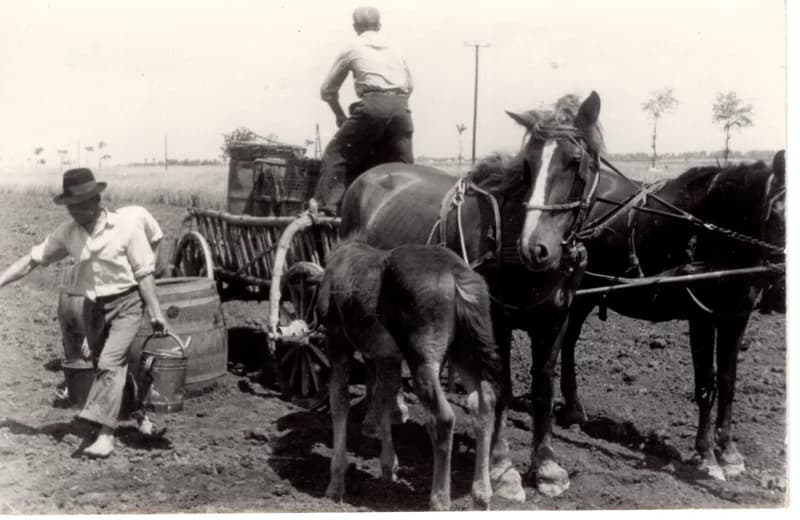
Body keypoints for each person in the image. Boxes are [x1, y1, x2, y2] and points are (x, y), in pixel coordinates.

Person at [0, 168, 169, 458]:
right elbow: (32, 260)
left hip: (128, 303)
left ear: (96, 201)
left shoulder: (126, 228)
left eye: (79, 205)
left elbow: (144, 274)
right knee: (108, 367)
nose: (74, 211)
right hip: (94, 308)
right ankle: (140, 416)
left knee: (110, 362)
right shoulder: (68, 233)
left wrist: (155, 312)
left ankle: (105, 436)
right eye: (70, 206)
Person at [55, 204, 166, 402]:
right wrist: (90, 335)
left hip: (145, 258)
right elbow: (98, 290)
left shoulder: (138, 217)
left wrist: (148, 270)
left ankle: (142, 385)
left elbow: (157, 240)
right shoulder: (104, 240)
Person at [311, 5, 414, 215]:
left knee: (336, 153)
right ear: (379, 25)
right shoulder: (396, 48)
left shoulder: (352, 48)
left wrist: (340, 114)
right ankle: (408, 208)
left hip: (372, 107)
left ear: (355, 27)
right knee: (402, 165)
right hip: (401, 108)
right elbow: (410, 85)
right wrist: (395, 107)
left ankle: (325, 209)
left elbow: (327, 90)